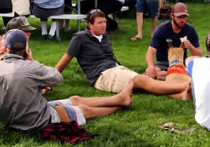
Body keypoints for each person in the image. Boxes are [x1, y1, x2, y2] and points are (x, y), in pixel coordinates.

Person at [0, 30, 133, 139]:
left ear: (6, 48)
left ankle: (118, 98)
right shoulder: (31, 67)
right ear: (25, 48)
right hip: (41, 120)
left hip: (14, 120)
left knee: (74, 98)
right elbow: (57, 78)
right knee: (84, 110)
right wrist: (31, 59)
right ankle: (120, 105)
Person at [55, 10, 192, 98]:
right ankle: (186, 87)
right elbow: (65, 60)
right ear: (90, 25)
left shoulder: (104, 36)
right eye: (99, 23)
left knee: (150, 78)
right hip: (102, 75)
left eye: (104, 22)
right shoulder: (80, 38)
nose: (103, 25)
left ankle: (184, 91)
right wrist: (50, 79)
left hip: (117, 68)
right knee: (140, 81)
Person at [144, 2, 202, 80]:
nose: (182, 20)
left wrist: (191, 47)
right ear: (172, 16)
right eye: (179, 17)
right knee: (150, 71)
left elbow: (199, 55)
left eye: (184, 17)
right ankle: (178, 76)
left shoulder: (190, 30)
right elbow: (150, 52)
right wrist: (151, 68)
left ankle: (169, 77)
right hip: (163, 64)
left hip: (181, 63)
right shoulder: (162, 29)